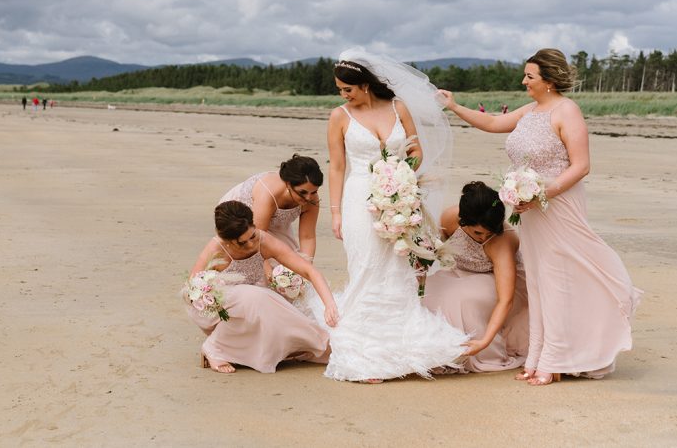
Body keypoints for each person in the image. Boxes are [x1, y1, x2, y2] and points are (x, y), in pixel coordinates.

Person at [439, 48, 641, 386]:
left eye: (530, 76)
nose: (524, 81)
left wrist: (542, 194)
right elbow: (491, 122)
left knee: (559, 280)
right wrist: (454, 106)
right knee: (538, 282)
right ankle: (538, 358)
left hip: (558, 207)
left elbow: (581, 166)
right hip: (530, 211)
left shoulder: (567, 111)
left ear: (548, 80)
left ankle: (556, 359)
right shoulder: (531, 111)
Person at [324, 48, 468, 382]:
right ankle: (364, 350)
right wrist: (335, 213)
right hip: (359, 197)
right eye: (340, 90)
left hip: (401, 195)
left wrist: (403, 171)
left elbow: (416, 150)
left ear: (365, 85)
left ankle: (400, 345)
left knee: (397, 266)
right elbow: (337, 166)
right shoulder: (339, 116)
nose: (344, 95)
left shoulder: (397, 107)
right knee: (366, 265)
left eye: (348, 89)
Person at [186, 201, 339, 374]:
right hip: (214, 311)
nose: (251, 244)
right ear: (227, 241)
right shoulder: (215, 249)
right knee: (255, 296)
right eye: (242, 243)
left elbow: (308, 270)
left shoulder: (264, 240)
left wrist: (329, 304)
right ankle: (214, 348)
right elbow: (192, 290)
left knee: (267, 304)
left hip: (252, 307)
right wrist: (210, 296)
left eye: (253, 236)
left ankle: (315, 344)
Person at [423, 181, 529, 373]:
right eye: (478, 232)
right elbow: (434, 249)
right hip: (460, 273)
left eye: (490, 231)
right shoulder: (449, 219)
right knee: (426, 292)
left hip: (496, 280)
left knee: (462, 299)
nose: (483, 237)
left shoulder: (501, 242)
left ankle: (463, 350)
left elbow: (506, 300)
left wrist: (484, 342)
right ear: (463, 221)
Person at [219, 155, 322, 261]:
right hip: (239, 214)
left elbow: (307, 237)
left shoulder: (312, 200)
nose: (308, 198)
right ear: (288, 184)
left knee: (290, 259)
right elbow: (258, 238)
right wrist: (268, 270)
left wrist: (307, 266)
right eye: (302, 192)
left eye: (314, 192)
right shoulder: (268, 194)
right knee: (252, 258)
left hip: (275, 222)